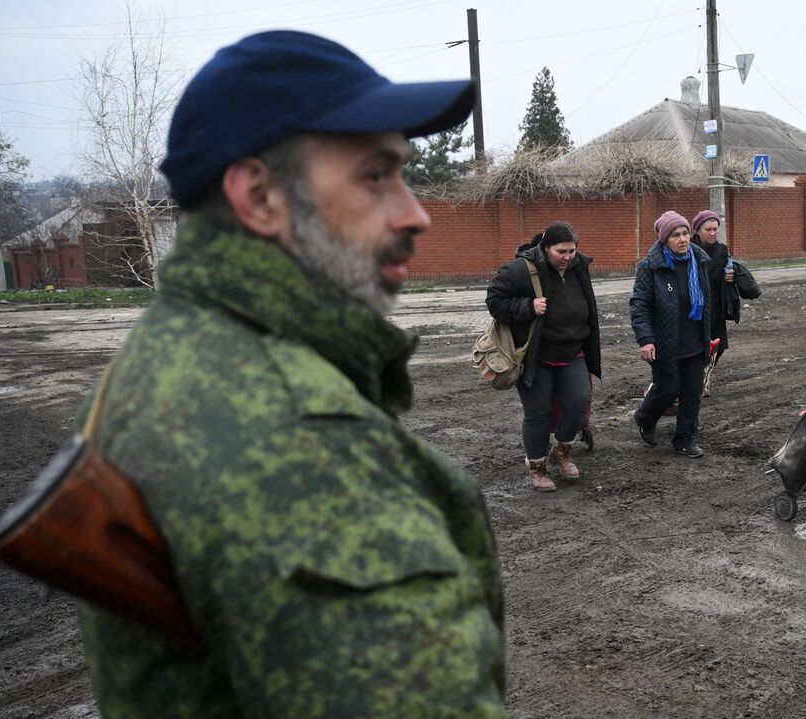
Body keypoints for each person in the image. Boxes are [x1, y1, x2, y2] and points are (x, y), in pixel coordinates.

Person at [72, 32, 506, 716]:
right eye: (376, 175)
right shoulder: (294, 439)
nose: (415, 212)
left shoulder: (176, 347)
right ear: (261, 196)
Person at [485, 222, 601, 492]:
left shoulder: (578, 268)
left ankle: (562, 451)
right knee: (538, 413)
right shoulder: (522, 270)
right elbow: (494, 300)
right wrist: (527, 306)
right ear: (545, 247)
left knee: (578, 403)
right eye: (561, 251)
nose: (568, 257)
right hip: (537, 356)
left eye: (572, 251)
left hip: (573, 351)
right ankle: (537, 467)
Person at [631, 210, 713, 458]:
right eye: (675, 235)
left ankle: (685, 439)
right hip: (666, 343)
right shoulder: (651, 266)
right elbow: (640, 304)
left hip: (695, 340)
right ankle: (645, 417)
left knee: (692, 392)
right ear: (664, 239)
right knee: (667, 389)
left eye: (685, 233)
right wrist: (646, 339)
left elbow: (708, 301)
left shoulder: (699, 260)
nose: (682, 239)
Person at [690, 209, 734, 365]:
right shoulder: (689, 250)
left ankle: (706, 372)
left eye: (715, 229)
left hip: (716, 308)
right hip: (694, 309)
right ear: (697, 230)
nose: (712, 233)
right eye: (707, 229)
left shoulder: (722, 250)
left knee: (718, 346)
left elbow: (730, 268)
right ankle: (696, 378)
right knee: (695, 348)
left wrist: (732, 274)